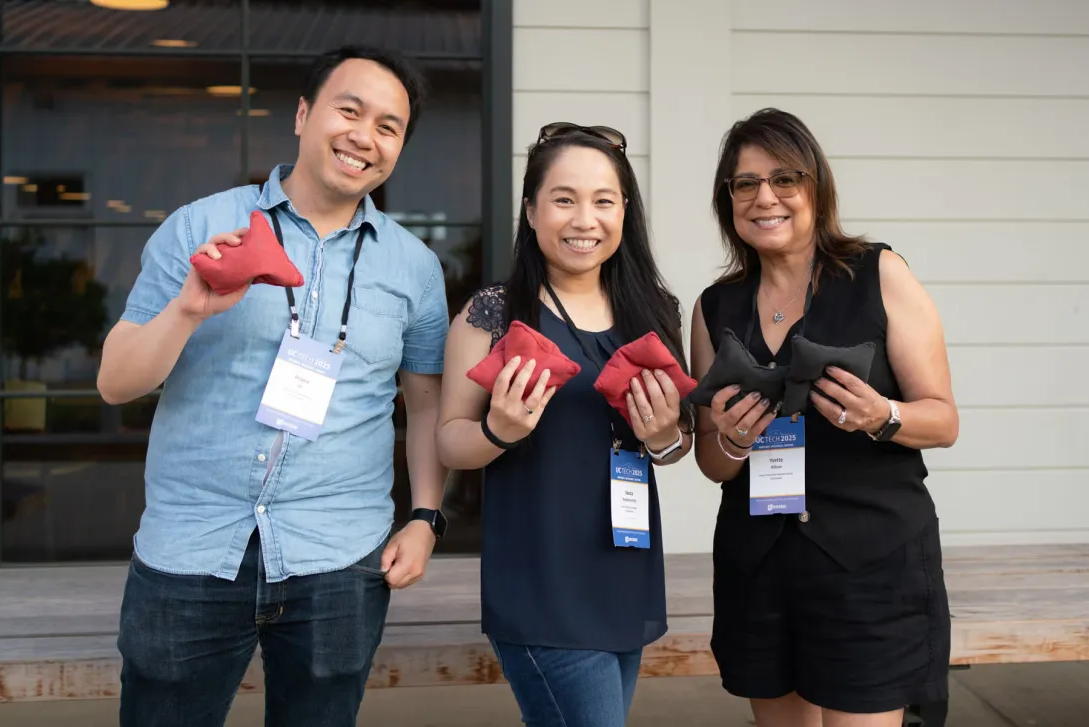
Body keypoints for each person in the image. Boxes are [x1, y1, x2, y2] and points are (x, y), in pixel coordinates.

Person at [96, 46, 451, 727]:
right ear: (301, 115)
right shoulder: (203, 227)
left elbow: (425, 401)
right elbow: (115, 381)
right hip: (193, 548)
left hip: (339, 558)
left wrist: (426, 516)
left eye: (388, 126)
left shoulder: (414, 267)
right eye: (348, 110)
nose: (364, 137)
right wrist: (189, 309)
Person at [689, 108, 959, 727]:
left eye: (785, 179)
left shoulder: (879, 273)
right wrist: (731, 441)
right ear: (727, 198)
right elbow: (712, 461)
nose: (766, 197)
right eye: (746, 183)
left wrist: (881, 415)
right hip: (758, 570)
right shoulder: (714, 307)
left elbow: (943, 420)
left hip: (871, 566)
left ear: (817, 187)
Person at [436, 123, 694, 727]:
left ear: (625, 211)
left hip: (624, 569)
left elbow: (673, 445)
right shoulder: (492, 313)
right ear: (530, 210)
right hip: (540, 581)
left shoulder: (655, 311)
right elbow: (449, 437)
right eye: (564, 199)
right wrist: (499, 430)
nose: (585, 219)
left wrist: (663, 439)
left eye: (604, 200)